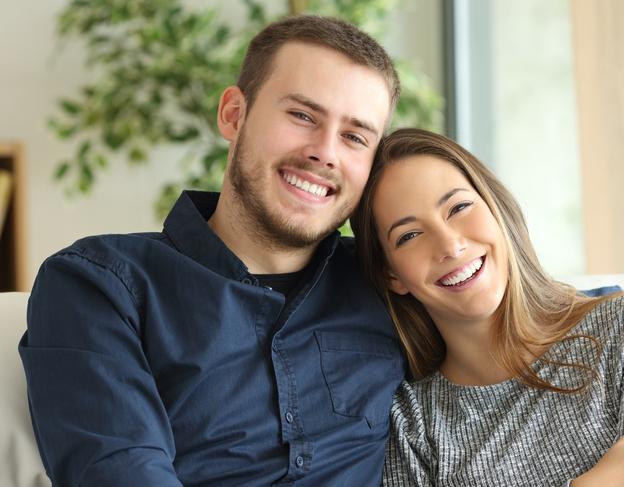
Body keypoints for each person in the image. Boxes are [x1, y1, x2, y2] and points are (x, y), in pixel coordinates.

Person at [19, 16, 406, 486]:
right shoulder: (98, 285)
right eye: (303, 116)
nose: (325, 153)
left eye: (354, 137)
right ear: (233, 114)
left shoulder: (392, 283)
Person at [350, 128, 624, 486]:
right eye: (409, 235)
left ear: (496, 209)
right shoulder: (411, 428)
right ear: (391, 274)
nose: (450, 245)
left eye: (458, 207)